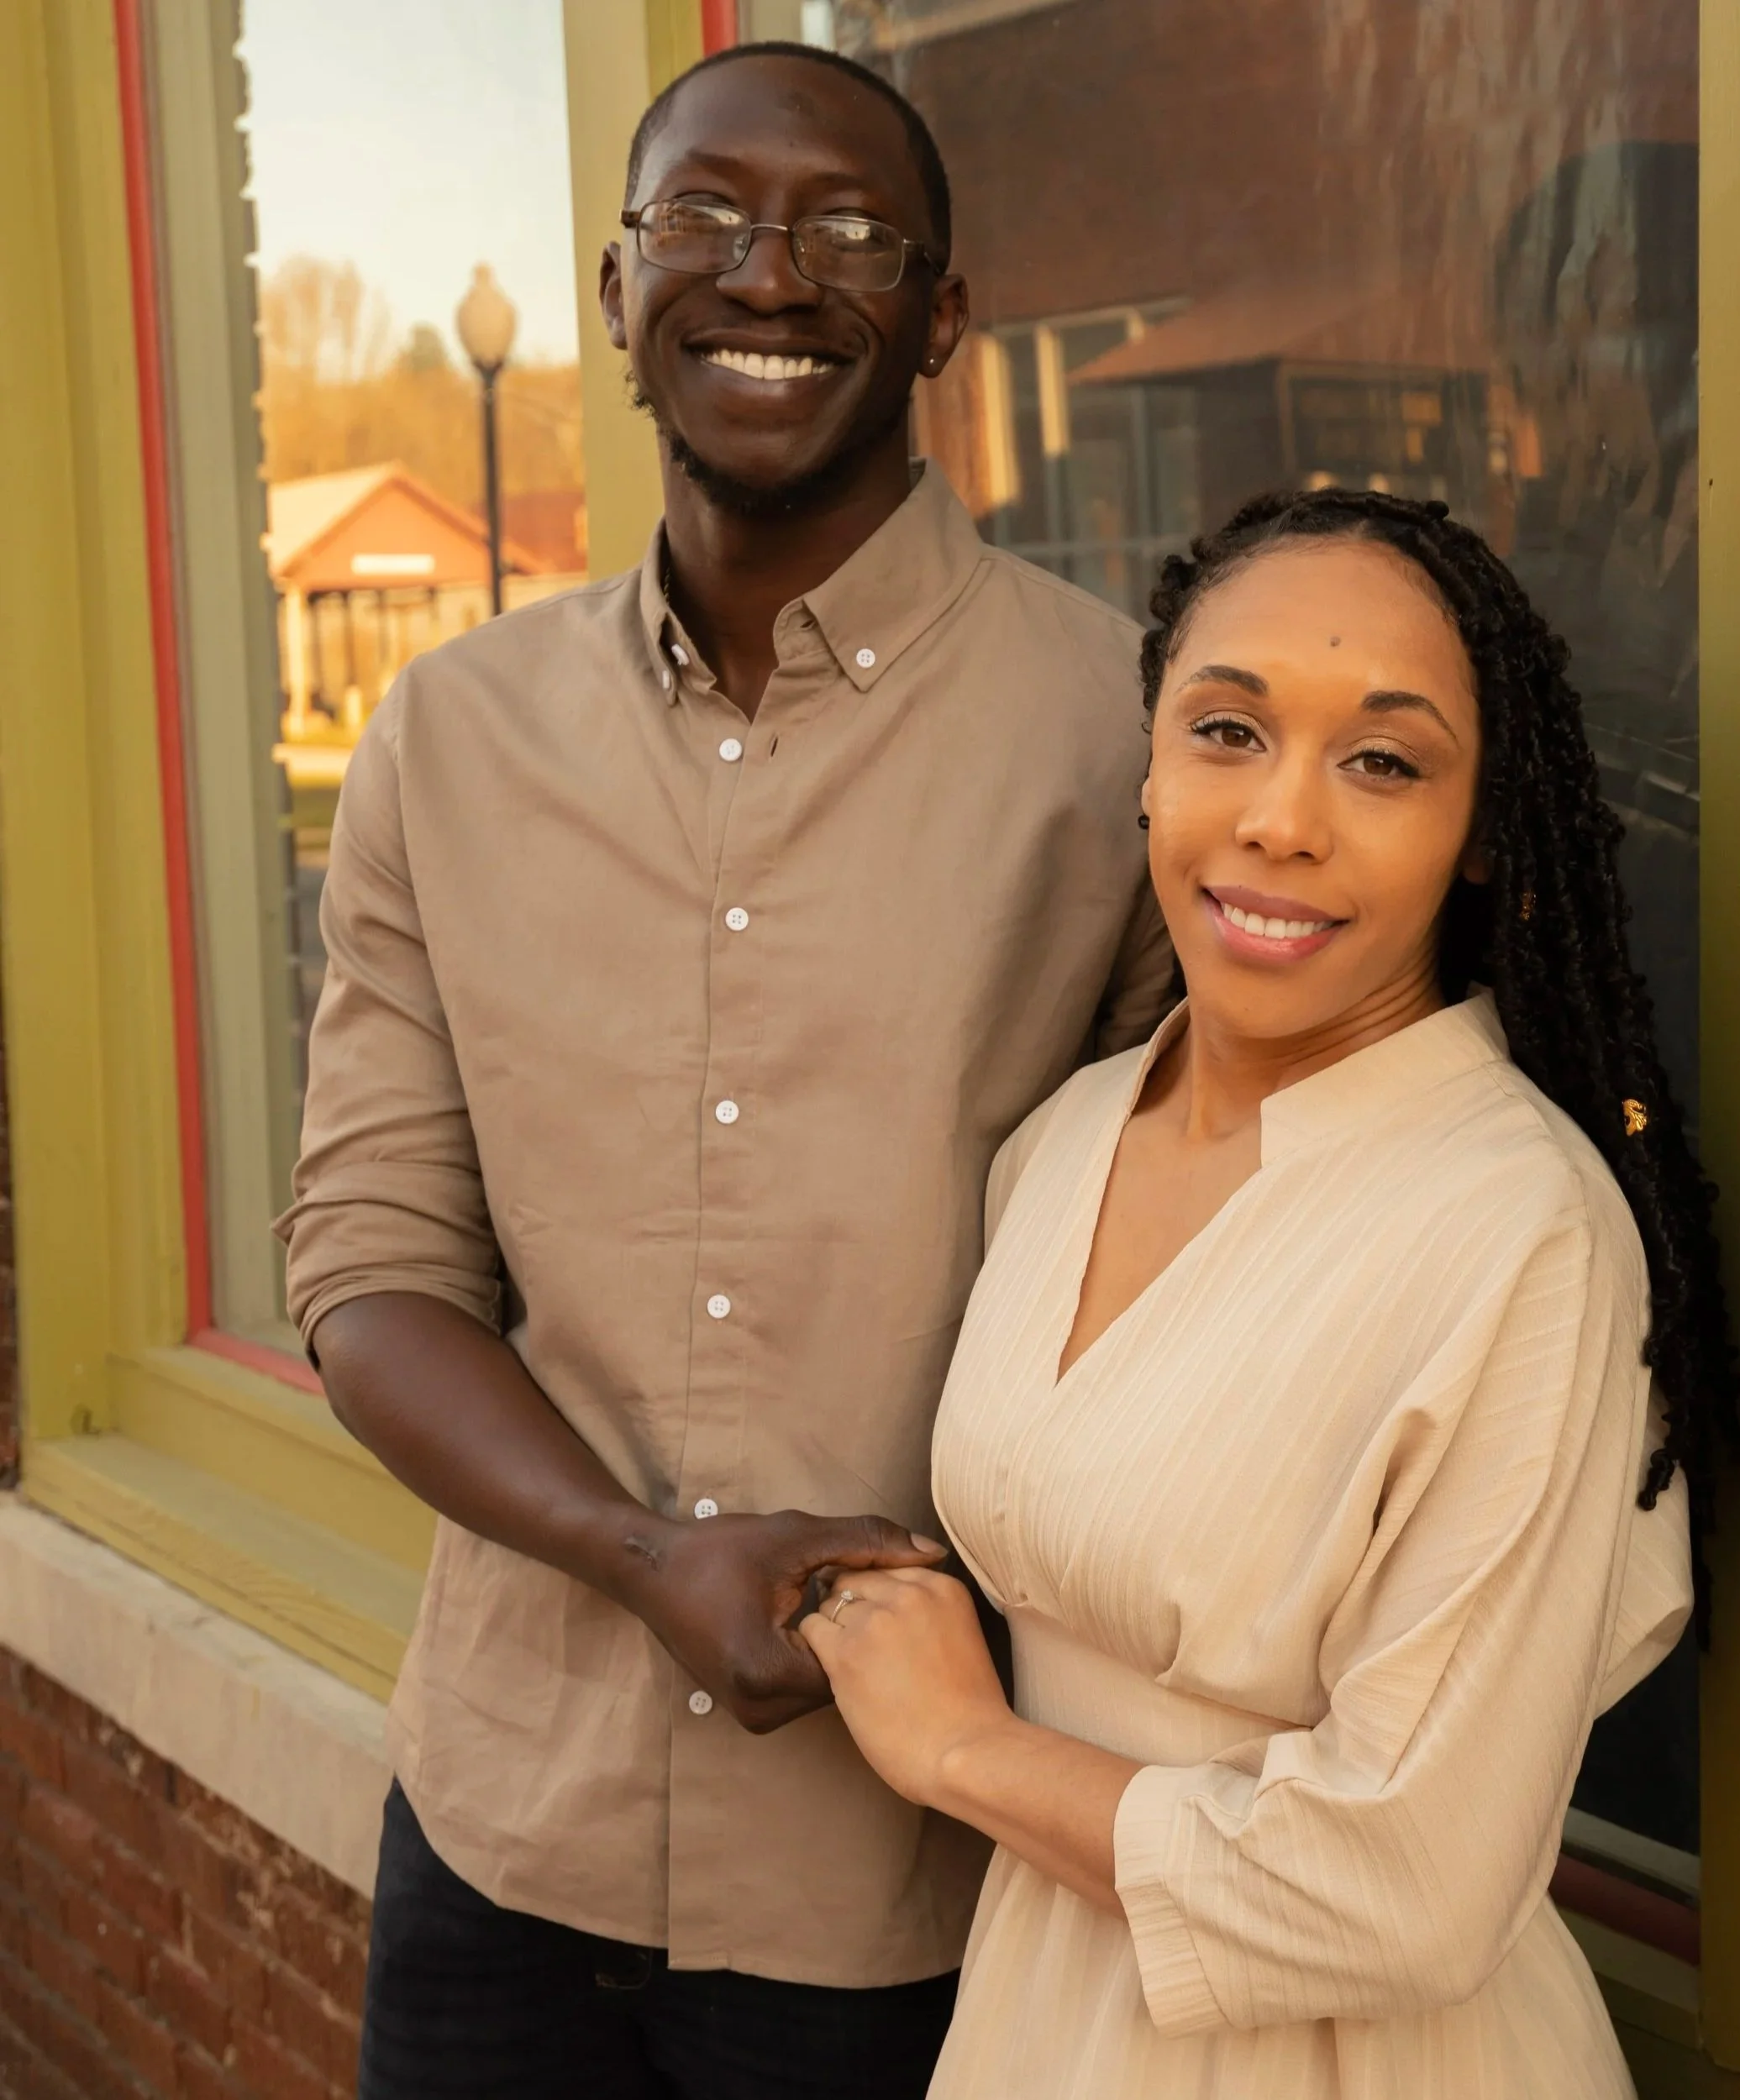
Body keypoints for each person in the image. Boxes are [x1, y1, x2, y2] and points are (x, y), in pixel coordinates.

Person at [279, 41, 1174, 2100]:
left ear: (941, 317)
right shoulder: (447, 736)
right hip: (498, 1845)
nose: (766, 276)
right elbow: (368, 1265)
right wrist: (629, 1551)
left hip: (919, 1893)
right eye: (700, 217)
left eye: (848, 233)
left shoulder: (1121, 738)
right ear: (613, 291)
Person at [803, 488, 1738, 2099]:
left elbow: (1414, 1889)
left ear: (1483, 830)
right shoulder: (1066, 1136)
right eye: (1228, 731)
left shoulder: (1521, 1231)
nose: (1282, 820)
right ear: (1152, 763)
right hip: (1044, 2027)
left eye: (1383, 761)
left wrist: (959, 1746)